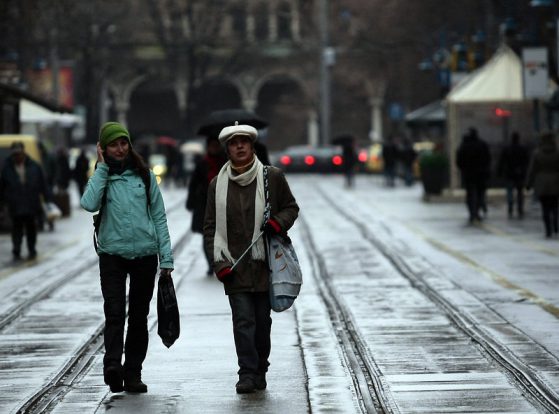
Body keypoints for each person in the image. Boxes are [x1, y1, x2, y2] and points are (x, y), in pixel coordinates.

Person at [203, 122, 299, 394]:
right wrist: (218, 262)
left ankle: (260, 369)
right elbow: (209, 226)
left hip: (264, 265)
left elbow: (291, 207)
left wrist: (278, 223)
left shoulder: (272, 177)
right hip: (234, 265)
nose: (240, 146)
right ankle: (246, 372)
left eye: (244, 141)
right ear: (227, 149)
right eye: (234, 143)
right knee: (243, 322)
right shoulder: (216, 185)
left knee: (261, 323)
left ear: (252, 145)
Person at [80, 122, 174, 393]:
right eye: (113, 144)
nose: (120, 149)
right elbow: (88, 204)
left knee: (138, 316)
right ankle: (112, 365)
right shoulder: (103, 175)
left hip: (145, 254)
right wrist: (102, 168)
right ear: (104, 148)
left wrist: (165, 258)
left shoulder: (143, 175)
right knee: (114, 313)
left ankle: (133, 372)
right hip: (112, 255)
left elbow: (158, 215)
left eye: (123, 143)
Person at [0, 141, 50, 260]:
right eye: (15, 154)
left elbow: (42, 183)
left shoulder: (34, 165)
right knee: (17, 227)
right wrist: (3, 203)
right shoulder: (6, 168)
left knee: (31, 227)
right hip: (15, 203)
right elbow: (1, 187)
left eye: (19, 153)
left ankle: (31, 249)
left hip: (31, 202)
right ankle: (16, 249)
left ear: (23, 153)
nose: (17, 156)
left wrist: (48, 200)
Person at [186, 134, 226, 275]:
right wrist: (191, 202)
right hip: (204, 204)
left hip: (223, 203)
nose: (214, 148)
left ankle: (221, 261)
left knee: (222, 235)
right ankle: (211, 263)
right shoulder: (202, 163)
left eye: (216, 145)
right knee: (207, 235)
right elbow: (193, 183)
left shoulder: (225, 161)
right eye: (212, 146)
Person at [525, 131, 559, 238]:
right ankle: (555, 225)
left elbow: (532, 170)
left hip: (542, 183)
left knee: (545, 207)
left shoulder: (537, 153)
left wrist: (528, 184)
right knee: (555, 206)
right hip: (555, 181)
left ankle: (548, 229)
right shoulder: (557, 152)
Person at [456, 128, 491, 224]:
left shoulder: (464, 146)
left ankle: (473, 212)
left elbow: (459, 161)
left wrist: (464, 169)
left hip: (469, 174)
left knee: (470, 194)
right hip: (480, 174)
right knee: (479, 194)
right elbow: (488, 159)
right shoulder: (482, 145)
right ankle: (476, 211)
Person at [497, 132, 529, 218]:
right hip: (519, 173)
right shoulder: (522, 149)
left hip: (509, 173)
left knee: (510, 191)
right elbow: (526, 162)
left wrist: (499, 173)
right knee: (519, 192)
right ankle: (520, 208)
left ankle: (510, 206)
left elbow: (502, 162)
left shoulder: (507, 149)